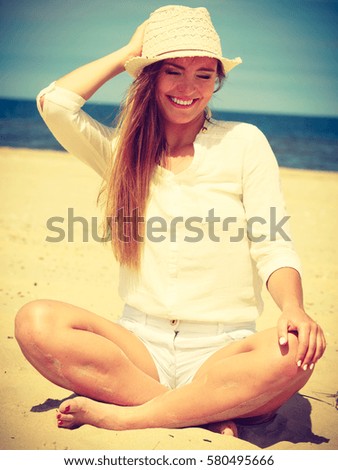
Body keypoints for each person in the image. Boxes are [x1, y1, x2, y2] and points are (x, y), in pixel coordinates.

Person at [15, 5, 325, 436]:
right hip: (139, 344)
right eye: (173, 71)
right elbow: (55, 104)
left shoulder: (244, 143)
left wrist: (293, 309)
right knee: (36, 322)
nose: (188, 87)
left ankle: (129, 414)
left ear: (217, 81)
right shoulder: (123, 152)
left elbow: (271, 243)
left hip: (223, 349)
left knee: (296, 352)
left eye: (204, 74)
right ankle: (202, 411)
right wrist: (130, 50)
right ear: (150, 77)